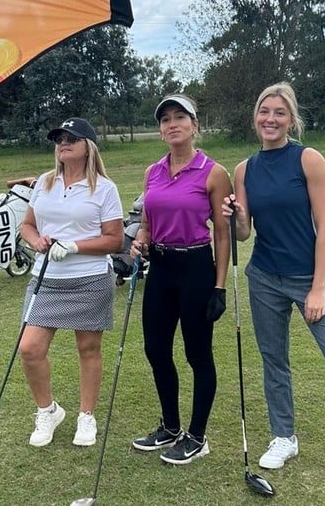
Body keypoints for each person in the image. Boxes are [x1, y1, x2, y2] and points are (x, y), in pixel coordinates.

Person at [222, 82, 325, 500]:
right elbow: (244, 234)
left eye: (279, 112)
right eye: (264, 111)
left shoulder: (309, 159)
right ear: (255, 117)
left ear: (291, 119)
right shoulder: (245, 169)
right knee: (273, 361)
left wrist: (318, 288)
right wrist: (236, 215)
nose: (270, 119)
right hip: (263, 277)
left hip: (307, 279)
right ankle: (284, 436)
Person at [129, 94, 232, 465]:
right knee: (156, 350)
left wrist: (219, 287)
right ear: (160, 130)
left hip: (197, 269)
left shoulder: (214, 172)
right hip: (161, 269)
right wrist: (141, 239)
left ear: (194, 125)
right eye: (166, 119)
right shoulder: (152, 172)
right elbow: (146, 221)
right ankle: (170, 427)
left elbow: (223, 233)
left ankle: (197, 436)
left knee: (197, 354)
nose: (172, 124)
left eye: (180, 117)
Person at [18, 117, 124, 448]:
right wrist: (36, 241)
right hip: (46, 279)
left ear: (88, 147)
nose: (63, 142)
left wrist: (75, 246)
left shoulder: (104, 189)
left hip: (89, 279)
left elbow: (115, 240)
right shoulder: (45, 183)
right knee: (29, 348)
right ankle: (48, 411)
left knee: (88, 348)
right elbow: (27, 225)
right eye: (60, 138)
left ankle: (86, 416)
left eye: (72, 138)